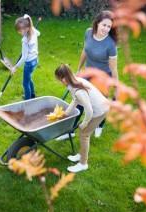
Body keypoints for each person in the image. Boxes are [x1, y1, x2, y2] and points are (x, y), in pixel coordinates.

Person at [56, 10, 118, 141]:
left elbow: (114, 68)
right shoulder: (88, 32)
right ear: (97, 23)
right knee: (78, 100)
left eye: (109, 26)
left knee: (100, 104)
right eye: (104, 25)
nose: (106, 29)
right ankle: (71, 130)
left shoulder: (111, 44)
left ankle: (99, 126)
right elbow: (85, 51)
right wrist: (78, 69)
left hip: (102, 78)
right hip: (87, 73)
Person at [55, 64, 110, 173]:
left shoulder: (79, 90)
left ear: (65, 79)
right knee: (82, 133)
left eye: (59, 79)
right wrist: (66, 113)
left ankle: (83, 163)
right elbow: (75, 100)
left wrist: (85, 122)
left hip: (100, 110)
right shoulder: (75, 81)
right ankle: (81, 154)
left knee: (84, 134)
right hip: (100, 106)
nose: (59, 82)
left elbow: (89, 110)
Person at [11, 14, 40, 100]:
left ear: (26, 28)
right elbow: (39, 33)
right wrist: (31, 25)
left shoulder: (25, 41)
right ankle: (32, 94)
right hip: (35, 60)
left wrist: (15, 67)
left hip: (29, 63)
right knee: (29, 78)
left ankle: (28, 101)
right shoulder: (34, 32)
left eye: (20, 31)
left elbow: (24, 57)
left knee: (25, 83)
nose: (18, 32)